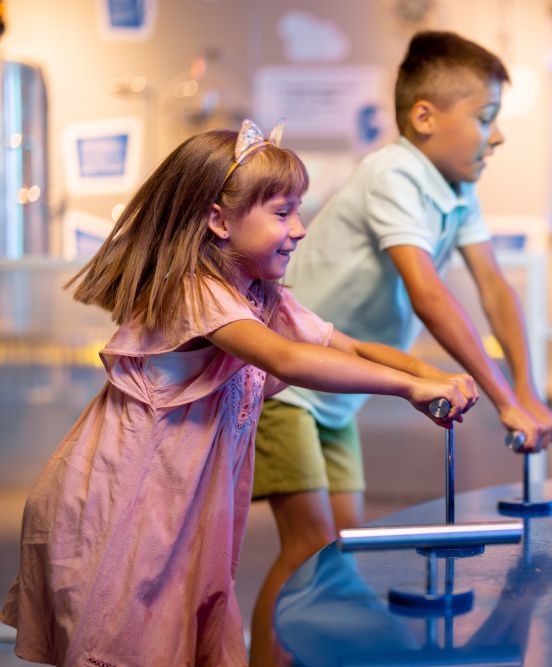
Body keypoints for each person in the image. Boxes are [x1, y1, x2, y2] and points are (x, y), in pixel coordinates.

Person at [0, 120, 477, 667]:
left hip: (185, 504)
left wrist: (430, 370)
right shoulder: (195, 292)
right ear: (218, 220)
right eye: (281, 212)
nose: (299, 229)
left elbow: (346, 345)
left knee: (186, 629)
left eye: (298, 210)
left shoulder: (260, 295)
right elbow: (288, 358)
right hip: (126, 501)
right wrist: (411, 388)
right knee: (131, 639)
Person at [249, 29, 552, 665]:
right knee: (309, 547)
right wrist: (504, 402)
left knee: (335, 554)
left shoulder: (456, 189)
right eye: (485, 118)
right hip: (288, 381)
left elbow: (494, 287)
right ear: (425, 117)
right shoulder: (394, 172)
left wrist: (525, 388)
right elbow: (430, 295)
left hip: (337, 393)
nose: (496, 136)